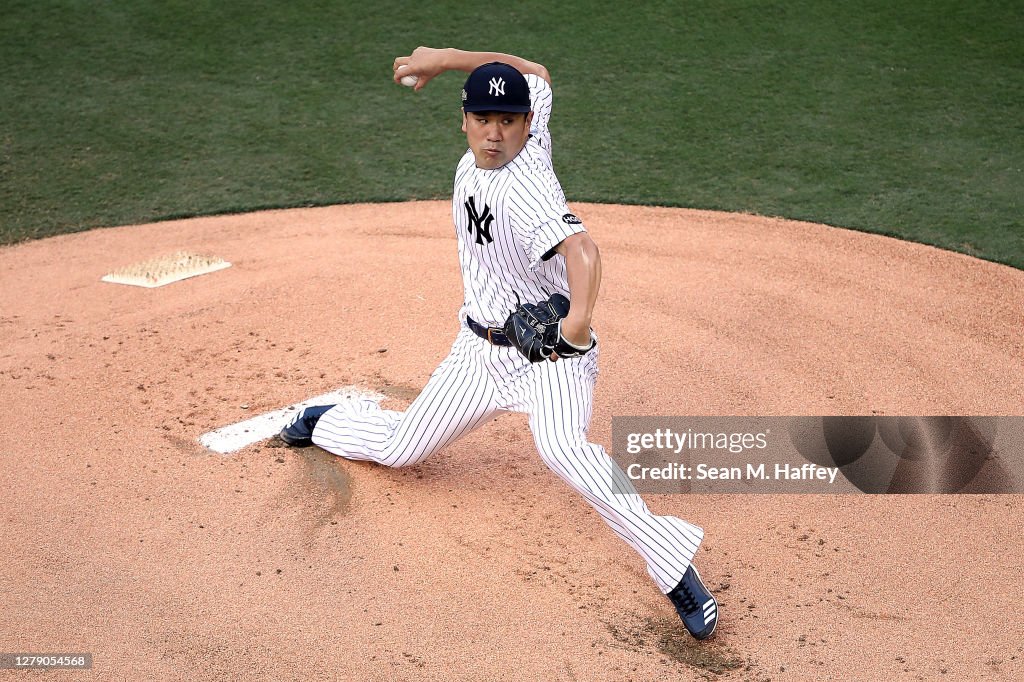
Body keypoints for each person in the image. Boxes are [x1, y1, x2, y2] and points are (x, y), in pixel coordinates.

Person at [280, 47, 718, 640]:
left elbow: (583, 252)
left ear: (526, 126)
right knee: (402, 447)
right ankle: (327, 419)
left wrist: (577, 330)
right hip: (479, 354)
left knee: (563, 447)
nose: (494, 134)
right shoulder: (498, 137)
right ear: (463, 120)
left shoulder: (525, 186)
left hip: (548, 356)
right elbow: (535, 72)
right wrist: (445, 57)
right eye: (483, 119)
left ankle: (673, 568)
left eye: (507, 121)